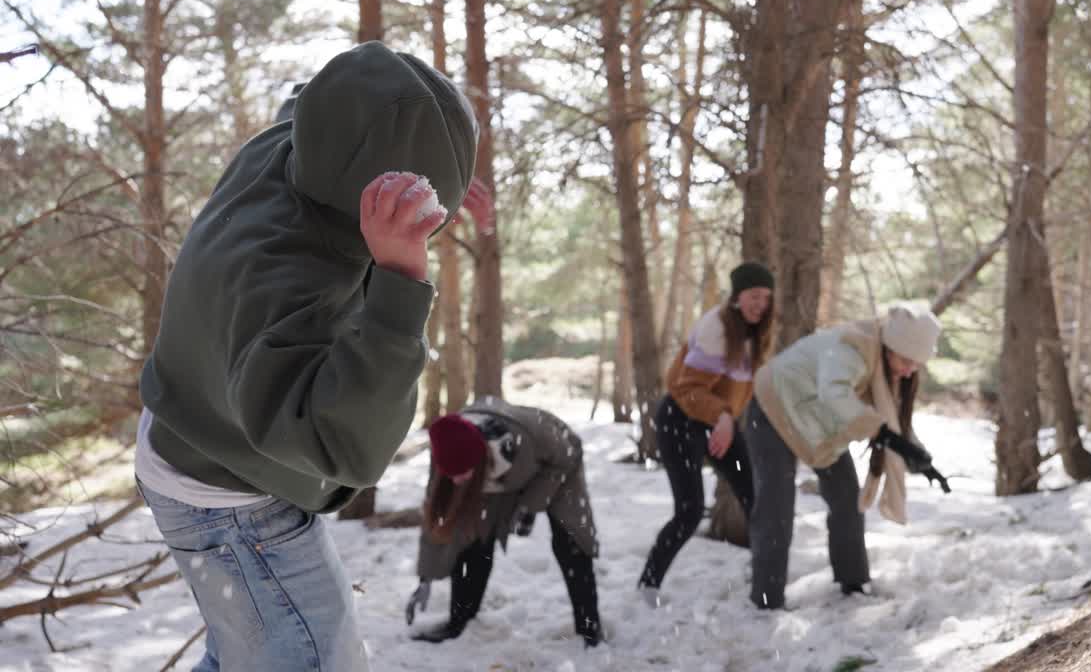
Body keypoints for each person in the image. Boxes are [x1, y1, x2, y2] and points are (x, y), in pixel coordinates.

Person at [134, 41, 477, 671]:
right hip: (227, 495)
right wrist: (400, 279)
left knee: (251, 648)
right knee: (318, 659)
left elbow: (345, 103)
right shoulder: (276, 277)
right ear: (370, 190)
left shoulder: (292, 142)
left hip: (195, 429)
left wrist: (438, 164)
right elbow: (345, 444)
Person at [744, 303, 949, 610]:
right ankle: (766, 598)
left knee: (847, 499)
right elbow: (833, 393)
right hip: (773, 408)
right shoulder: (853, 347)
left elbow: (891, 420)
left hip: (817, 424)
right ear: (891, 347)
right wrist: (887, 438)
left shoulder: (887, 366)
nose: (909, 370)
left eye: (916, 365)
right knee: (777, 506)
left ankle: (853, 582)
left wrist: (920, 457)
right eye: (906, 360)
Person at [405, 398, 602, 648]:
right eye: (451, 475)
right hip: (488, 474)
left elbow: (569, 453)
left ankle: (589, 629)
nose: (455, 481)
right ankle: (460, 621)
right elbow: (438, 517)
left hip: (556, 465)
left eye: (461, 473)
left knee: (571, 542)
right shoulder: (446, 448)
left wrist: (530, 506)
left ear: (479, 459)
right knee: (471, 535)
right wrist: (426, 577)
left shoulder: (534, 436)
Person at [637, 261, 775, 605]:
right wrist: (723, 418)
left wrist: (727, 419)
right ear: (737, 296)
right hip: (681, 421)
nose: (760, 303)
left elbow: (744, 387)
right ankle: (649, 584)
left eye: (766, 297)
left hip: (717, 422)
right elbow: (688, 389)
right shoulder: (717, 327)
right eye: (754, 296)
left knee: (755, 495)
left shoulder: (756, 332)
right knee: (690, 510)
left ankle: (764, 575)